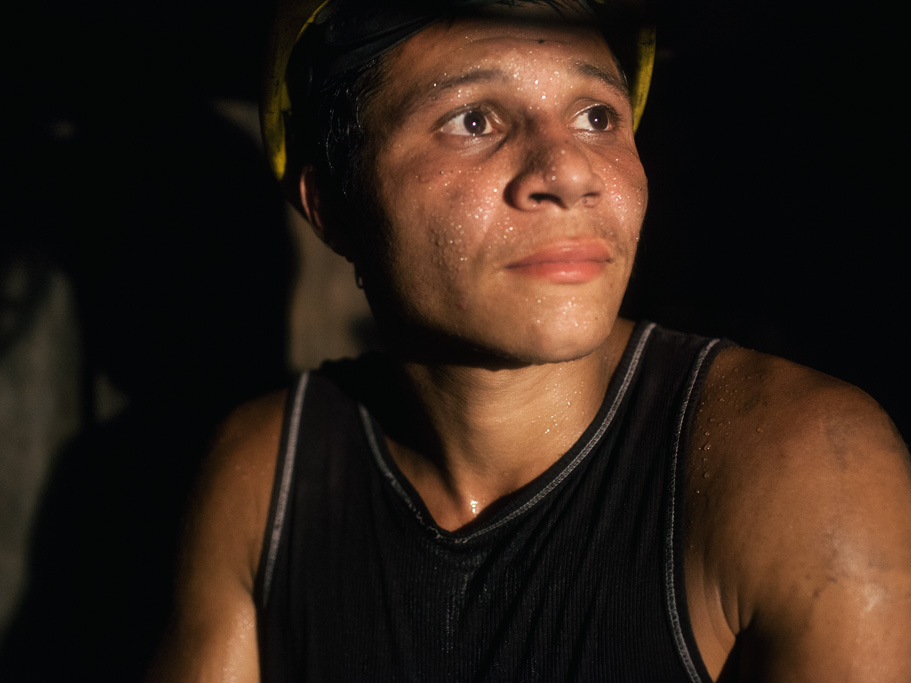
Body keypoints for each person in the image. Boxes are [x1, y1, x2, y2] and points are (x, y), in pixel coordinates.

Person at [148, 0, 911, 680]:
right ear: (334, 207)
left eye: (596, 116)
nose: (567, 171)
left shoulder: (799, 463)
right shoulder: (267, 480)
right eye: (473, 119)